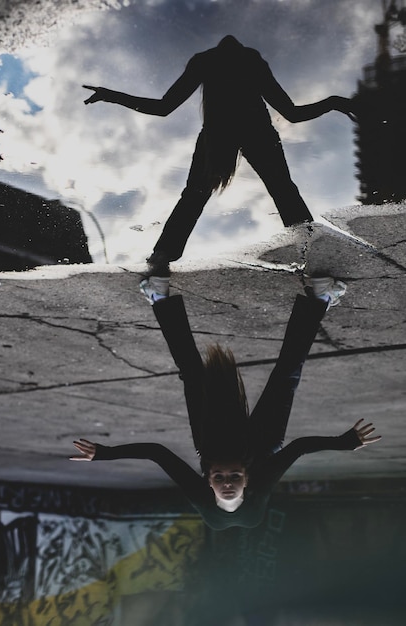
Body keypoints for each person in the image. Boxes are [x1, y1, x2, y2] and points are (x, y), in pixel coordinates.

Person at [70, 276, 381, 530]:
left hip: (214, 440)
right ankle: (319, 297)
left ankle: (159, 297)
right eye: (235, 478)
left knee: (193, 375)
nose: (227, 479)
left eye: (221, 479)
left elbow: (157, 453)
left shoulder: (200, 495)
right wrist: (343, 443)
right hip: (263, 443)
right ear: (247, 479)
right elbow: (298, 447)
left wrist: (106, 454)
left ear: (208, 479)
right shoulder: (262, 479)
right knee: (287, 374)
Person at [83, 35, 356, 274]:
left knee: (196, 196)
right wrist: (332, 102)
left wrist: (111, 95)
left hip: (224, 133)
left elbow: (163, 107)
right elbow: (293, 114)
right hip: (249, 132)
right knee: (282, 190)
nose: (229, 39)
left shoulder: (209, 61)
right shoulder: (248, 60)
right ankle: (309, 249)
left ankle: (163, 255)